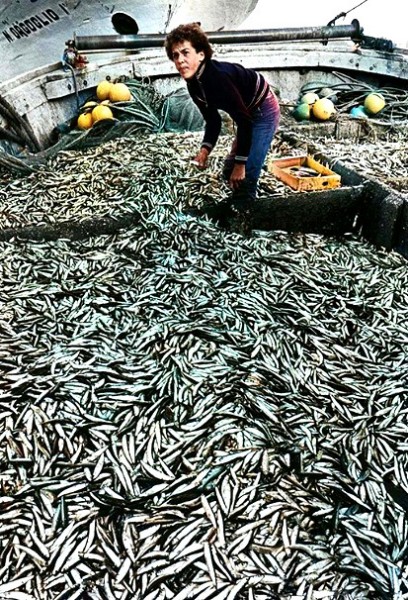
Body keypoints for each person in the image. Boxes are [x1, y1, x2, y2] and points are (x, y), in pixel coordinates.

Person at [164, 23, 280, 211]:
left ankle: (245, 216)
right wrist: (204, 150)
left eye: (185, 53)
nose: (180, 60)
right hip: (246, 113)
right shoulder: (193, 84)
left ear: (201, 54)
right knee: (229, 172)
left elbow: (244, 122)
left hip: (263, 110)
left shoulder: (217, 78)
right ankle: (242, 177)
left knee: (246, 174)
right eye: (175, 56)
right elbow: (213, 120)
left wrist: (241, 164)